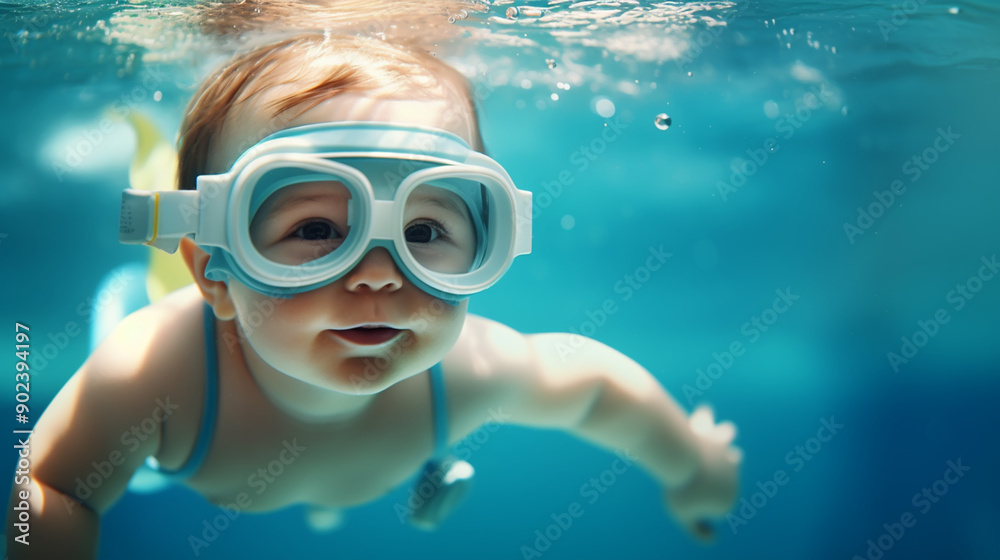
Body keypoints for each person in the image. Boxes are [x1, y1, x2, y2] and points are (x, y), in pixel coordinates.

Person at [5, 33, 741, 559]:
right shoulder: (156, 373)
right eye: (319, 228)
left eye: (425, 229)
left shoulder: (468, 370)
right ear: (216, 272)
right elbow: (49, 489)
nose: (381, 274)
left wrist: (691, 467)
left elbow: (592, 387)